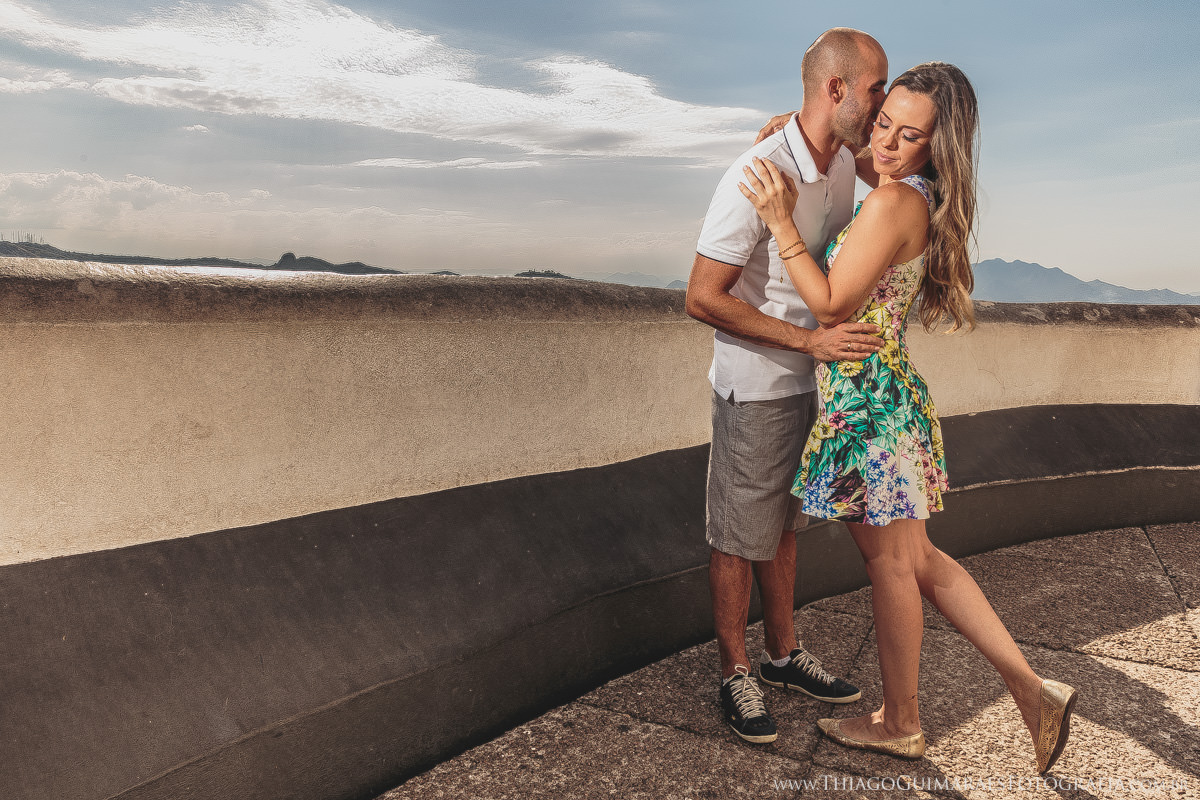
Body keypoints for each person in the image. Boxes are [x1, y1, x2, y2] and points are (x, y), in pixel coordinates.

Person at [738, 61, 1077, 773]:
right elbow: (867, 157)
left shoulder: (894, 204)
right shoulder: (909, 190)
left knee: (893, 566)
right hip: (890, 396)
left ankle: (902, 721)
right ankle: (1030, 688)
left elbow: (831, 304)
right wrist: (804, 132)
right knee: (920, 561)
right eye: (883, 121)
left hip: (866, 404)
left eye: (908, 135)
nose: (887, 143)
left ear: (936, 147)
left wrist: (778, 221)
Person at [684, 27, 888, 745]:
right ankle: (736, 672)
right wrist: (808, 340)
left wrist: (817, 351)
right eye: (874, 87)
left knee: (786, 528)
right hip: (757, 384)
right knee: (739, 537)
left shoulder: (837, 162)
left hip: (811, 381)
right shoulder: (758, 171)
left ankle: (782, 655)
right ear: (836, 89)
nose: (883, 100)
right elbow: (702, 296)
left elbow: (900, 177)